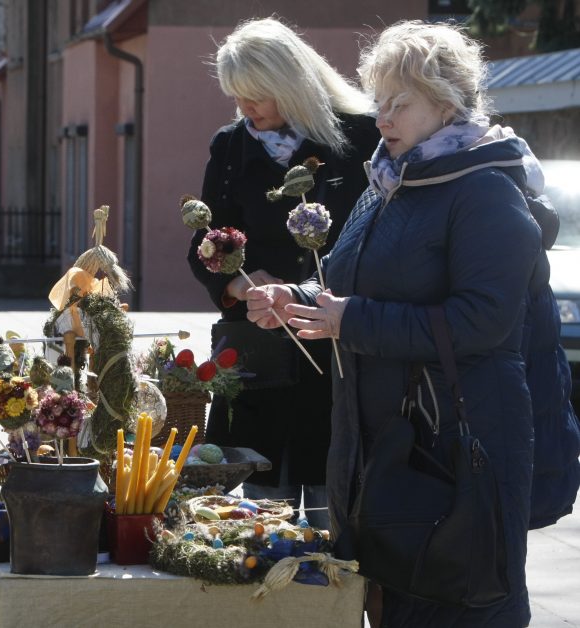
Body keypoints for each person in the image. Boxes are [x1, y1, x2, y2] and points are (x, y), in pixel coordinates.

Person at [246, 21, 542, 627]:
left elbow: (484, 320)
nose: (382, 117)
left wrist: (350, 320)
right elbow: (355, 285)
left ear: (447, 101)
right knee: (390, 604)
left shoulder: (484, 188)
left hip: (456, 451)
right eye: (378, 101)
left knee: (455, 605)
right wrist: (296, 298)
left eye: (399, 103)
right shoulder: (388, 181)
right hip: (381, 449)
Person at [187, 17, 378, 529]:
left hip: (335, 349)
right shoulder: (230, 147)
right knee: (256, 519)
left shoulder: (359, 137)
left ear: (292, 86)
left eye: (257, 96)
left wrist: (308, 290)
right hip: (258, 354)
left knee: (328, 510)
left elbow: (377, 239)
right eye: (237, 96)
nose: (246, 109)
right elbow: (204, 247)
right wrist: (241, 283)